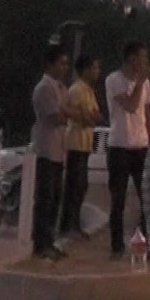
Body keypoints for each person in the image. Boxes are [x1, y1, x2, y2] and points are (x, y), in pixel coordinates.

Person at [103, 40, 150, 257]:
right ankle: (116, 246)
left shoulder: (146, 83)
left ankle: (148, 243)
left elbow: (146, 113)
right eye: (142, 58)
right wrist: (140, 83)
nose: (146, 62)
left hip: (141, 145)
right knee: (118, 199)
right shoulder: (114, 80)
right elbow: (131, 106)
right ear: (132, 59)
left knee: (147, 197)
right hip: (120, 146)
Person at [30, 46, 71, 261]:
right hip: (46, 149)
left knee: (55, 199)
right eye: (61, 63)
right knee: (45, 199)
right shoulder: (44, 88)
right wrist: (68, 114)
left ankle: (49, 241)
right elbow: (58, 117)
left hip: (59, 150)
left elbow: (70, 113)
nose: (64, 68)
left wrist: (68, 114)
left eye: (66, 64)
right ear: (50, 64)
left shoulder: (61, 88)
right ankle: (40, 244)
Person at [58, 54, 102, 239]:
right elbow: (84, 117)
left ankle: (74, 224)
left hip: (85, 143)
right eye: (95, 68)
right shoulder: (77, 89)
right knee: (74, 185)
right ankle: (67, 226)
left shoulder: (89, 90)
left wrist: (90, 117)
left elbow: (96, 116)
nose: (97, 72)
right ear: (85, 70)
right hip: (75, 143)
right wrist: (88, 117)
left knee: (81, 185)